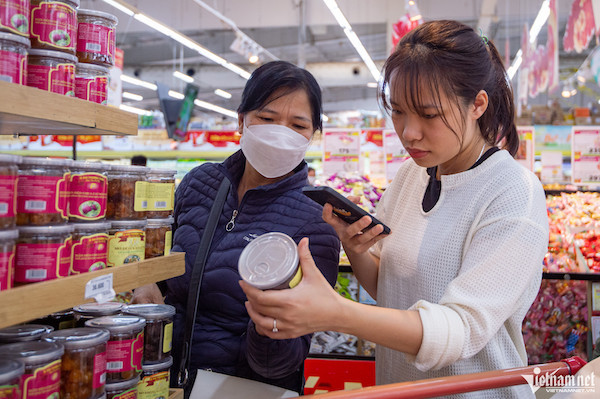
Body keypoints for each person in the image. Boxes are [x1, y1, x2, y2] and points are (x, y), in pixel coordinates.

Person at [241, 20, 549, 398]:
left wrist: (337, 313)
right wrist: (357, 250)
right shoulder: (411, 174)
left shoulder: (514, 192)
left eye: (429, 115)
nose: (408, 132)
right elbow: (392, 290)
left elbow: (462, 329)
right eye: (399, 111)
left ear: (478, 105)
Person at [131, 60, 341, 393]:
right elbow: (161, 259)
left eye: (298, 125)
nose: (280, 134)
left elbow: (284, 360)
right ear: (241, 120)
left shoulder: (317, 219)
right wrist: (145, 283)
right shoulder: (199, 183)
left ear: (313, 135)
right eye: (268, 119)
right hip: (162, 377)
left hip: (241, 388)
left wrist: (271, 324)